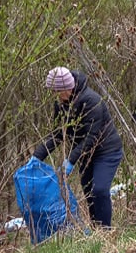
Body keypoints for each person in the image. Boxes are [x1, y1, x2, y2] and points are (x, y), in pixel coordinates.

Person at [33, 67, 123, 229]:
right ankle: (97, 229)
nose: (54, 95)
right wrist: (37, 157)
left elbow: (91, 137)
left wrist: (70, 161)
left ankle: (106, 231)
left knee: (100, 190)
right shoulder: (61, 105)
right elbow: (58, 134)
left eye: (56, 91)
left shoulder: (91, 101)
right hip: (85, 155)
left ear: (66, 88)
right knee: (89, 191)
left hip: (106, 151)